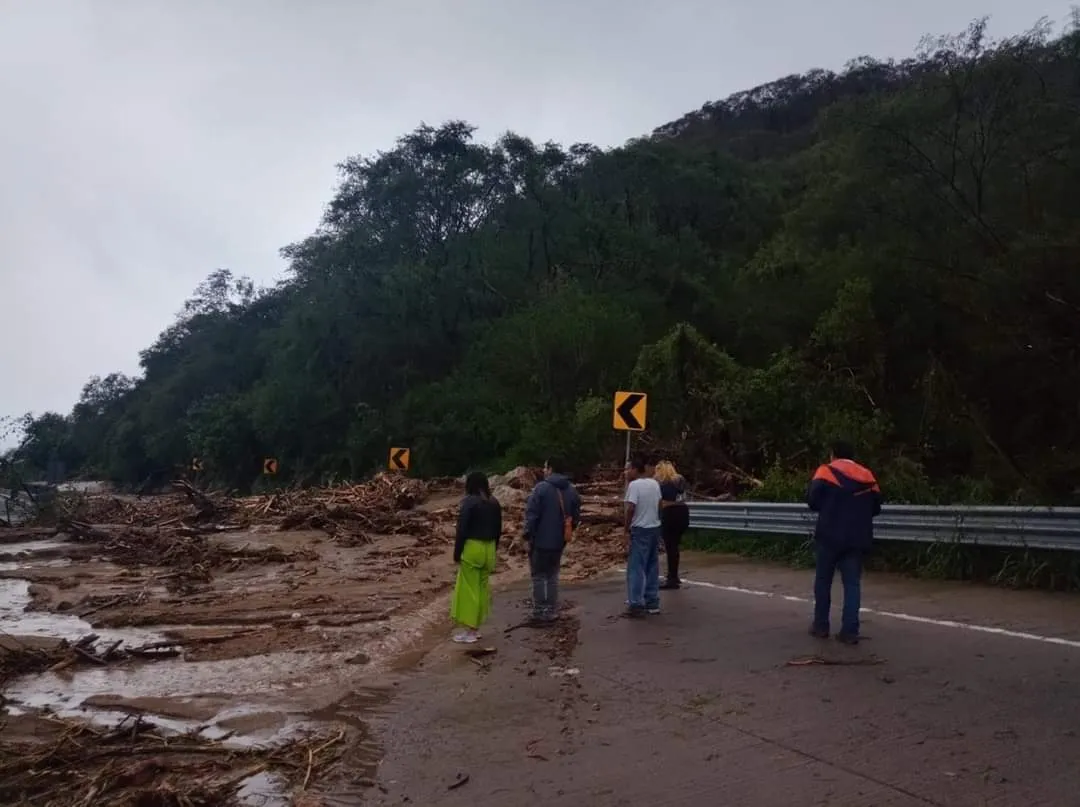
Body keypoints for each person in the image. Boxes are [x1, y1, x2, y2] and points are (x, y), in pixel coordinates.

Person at [807, 440, 882, 645]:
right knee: (852, 584)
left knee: (823, 581)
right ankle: (850, 631)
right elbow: (876, 508)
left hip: (829, 536)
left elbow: (813, 501)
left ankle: (821, 626)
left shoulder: (825, 472)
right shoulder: (867, 475)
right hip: (857, 538)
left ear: (833, 454)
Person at [524, 457, 582, 625]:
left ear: (550, 469)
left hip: (540, 541)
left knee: (538, 576)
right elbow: (575, 516)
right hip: (559, 541)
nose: (543, 470)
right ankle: (551, 610)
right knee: (552, 576)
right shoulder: (571, 490)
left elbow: (532, 515)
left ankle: (540, 611)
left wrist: (527, 536)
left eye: (545, 467)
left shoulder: (541, 489)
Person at [450, 471, 502, 644]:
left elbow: (462, 530)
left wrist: (457, 553)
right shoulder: (494, 502)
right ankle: (476, 628)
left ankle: (471, 631)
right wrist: (495, 550)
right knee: (482, 588)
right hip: (489, 549)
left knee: (470, 590)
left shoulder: (469, 502)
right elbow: (498, 530)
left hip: (472, 548)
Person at [624, 455, 663, 618]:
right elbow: (660, 504)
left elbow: (631, 507)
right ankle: (652, 601)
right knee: (652, 565)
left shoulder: (634, 485)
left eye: (627, 468)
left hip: (640, 529)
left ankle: (636, 603)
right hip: (654, 527)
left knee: (636, 567)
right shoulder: (654, 483)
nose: (625, 472)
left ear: (634, 469)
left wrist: (626, 528)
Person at [655, 460, 690, 590]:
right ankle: (674, 575)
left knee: (670, 547)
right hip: (683, 514)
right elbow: (682, 499)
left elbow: (660, 502)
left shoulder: (663, 484)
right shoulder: (680, 481)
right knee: (674, 546)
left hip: (670, 515)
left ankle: (672, 578)